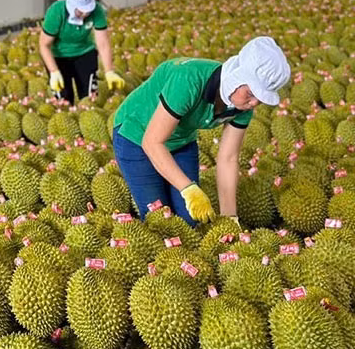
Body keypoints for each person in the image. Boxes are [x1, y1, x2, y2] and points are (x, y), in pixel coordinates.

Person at [111, 36, 290, 226]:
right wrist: (188, 189)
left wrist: (230, 217)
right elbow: (152, 142)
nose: (254, 103)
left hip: (181, 139)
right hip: (136, 134)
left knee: (191, 220)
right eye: (251, 93)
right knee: (159, 218)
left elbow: (228, 158)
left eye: (260, 98)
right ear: (238, 77)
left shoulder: (243, 106)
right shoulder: (189, 79)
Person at [39, 0, 125, 104]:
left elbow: (103, 43)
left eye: (88, 10)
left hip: (85, 53)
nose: (85, 14)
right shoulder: (56, 12)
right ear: (71, 4)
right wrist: (54, 71)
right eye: (80, 11)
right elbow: (44, 45)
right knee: (63, 100)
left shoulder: (97, 11)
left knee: (90, 98)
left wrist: (109, 71)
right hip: (59, 56)